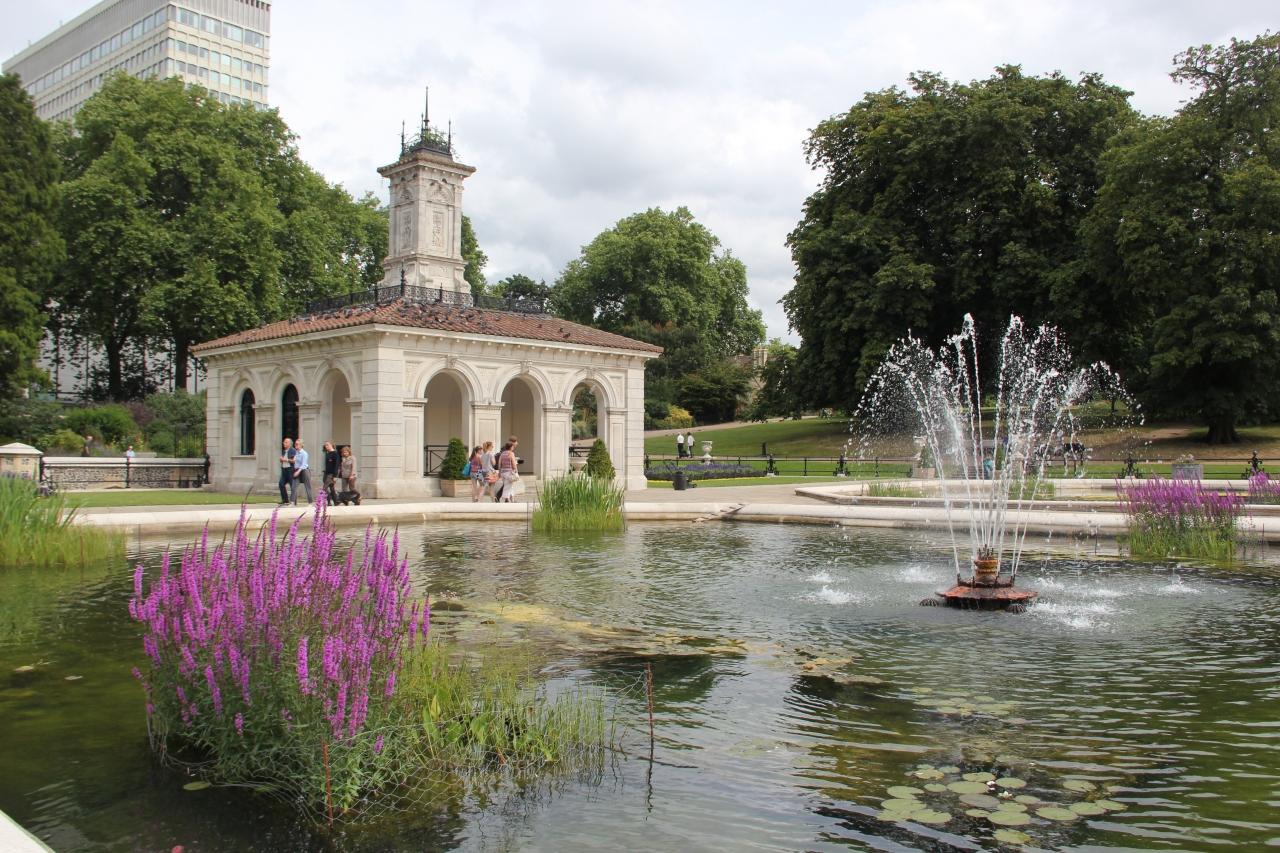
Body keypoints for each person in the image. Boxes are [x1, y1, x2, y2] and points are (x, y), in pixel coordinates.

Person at [292, 439, 313, 505]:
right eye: (295, 444)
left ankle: (310, 502)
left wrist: (298, 471)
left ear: (301, 445)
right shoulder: (296, 453)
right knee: (294, 486)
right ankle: (292, 502)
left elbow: (304, 464)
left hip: (304, 471)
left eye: (297, 444)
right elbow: (295, 462)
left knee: (307, 487)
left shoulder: (304, 453)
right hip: (297, 470)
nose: (295, 445)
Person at [278, 438, 295, 504]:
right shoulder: (284, 451)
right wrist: (281, 460)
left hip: (290, 470)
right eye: (284, 442)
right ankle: (285, 500)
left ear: (290, 444)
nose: (284, 443)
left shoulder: (293, 450)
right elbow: (283, 460)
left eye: (286, 442)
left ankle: (293, 501)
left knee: (292, 485)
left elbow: (293, 461)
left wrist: (285, 460)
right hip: (284, 470)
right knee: (281, 484)